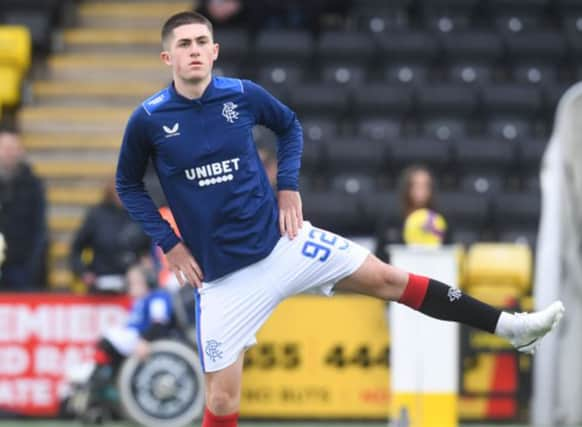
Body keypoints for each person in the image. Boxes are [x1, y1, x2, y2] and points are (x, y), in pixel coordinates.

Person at [115, 12, 565, 427]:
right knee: (222, 403)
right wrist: (169, 242)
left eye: (202, 41)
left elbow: (289, 126)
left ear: (214, 51)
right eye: (184, 43)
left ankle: (512, 327)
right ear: (167, 56)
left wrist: (288, 186)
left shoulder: (242, 95)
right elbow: (128, 185)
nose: (194, 49)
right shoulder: (149, 120)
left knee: (389, 280)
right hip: (224, 278)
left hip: (284, 243)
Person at [69, 177, 151, 293]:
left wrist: (146, 263)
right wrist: (83, 272)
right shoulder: (96, 215)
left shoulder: (138, 215)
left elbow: (148, 248)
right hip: (101, 280)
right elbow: (76, 249)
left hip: (133, 280)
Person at [0, 129, 47, 291]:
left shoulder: (33, 184)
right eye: (5, 148)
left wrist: (32, 262)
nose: (9, 153)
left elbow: (39, 226)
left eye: (13, 148)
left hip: (21, 265)